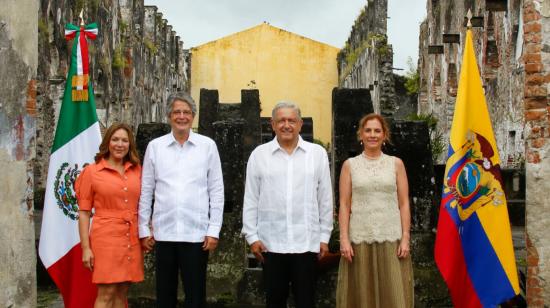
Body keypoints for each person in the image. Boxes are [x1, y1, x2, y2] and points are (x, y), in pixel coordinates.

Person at [242, 101, 333, 308]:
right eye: (281, 120)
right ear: (272, 125)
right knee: (274, 300)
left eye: (291, 120)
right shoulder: (259, 155)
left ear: (300, 124)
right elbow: (251, 198)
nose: (286, 125)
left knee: (306, 301)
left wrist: (324, 237)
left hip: (307, 243)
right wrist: (252, 236)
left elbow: (325, 198)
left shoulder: (316, 154)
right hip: (271, 243)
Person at [138, 92, 224, 308]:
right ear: (169, 116)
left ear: (193, 116)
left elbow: (216, 189)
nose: (182, 116)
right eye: (177, 112)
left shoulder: (207, 146)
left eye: (186, 112)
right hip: (163, 232)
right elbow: (146, 190)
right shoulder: (155, 147)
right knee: (164, 295)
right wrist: (143, 229)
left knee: (196, 295)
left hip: (196, 234)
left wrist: (213, 229)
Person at [336, 113, 413, 308]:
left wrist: (405, 238)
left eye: (377, 130)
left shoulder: (396, 164)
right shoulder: (349, 166)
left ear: (384, 135)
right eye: (368, 130)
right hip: (360, 238)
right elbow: (344, 205)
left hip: (391, 238)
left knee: (392, 294)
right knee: (362, 295)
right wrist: (344, 239)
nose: (372, 135)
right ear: (360, 134)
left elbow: (404, 203)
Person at [76, 123, 143, 308]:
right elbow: (83, 213)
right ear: (107, 142)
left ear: (130, 144)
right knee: (106, 293)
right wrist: (85, 248)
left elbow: (145, 203)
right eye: (115, 139)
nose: (119, 144)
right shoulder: (92, 172)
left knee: (122, 291)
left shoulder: (137, 170)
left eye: (124, 140)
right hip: (105, 237)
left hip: (131, 236)